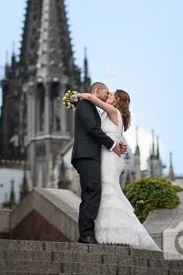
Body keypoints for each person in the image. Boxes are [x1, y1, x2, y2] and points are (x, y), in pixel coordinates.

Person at [75, 87, 161, 251]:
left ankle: (120, 235)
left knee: (108, 191)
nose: (108, 95)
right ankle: (114, 235)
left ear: (117, 101)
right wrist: (119, 145)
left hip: (107, 158)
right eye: (107, 93)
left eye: (111, 94)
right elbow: (116, 137)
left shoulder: (114, 111)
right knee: (105, 192)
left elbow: (92, 99)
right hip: (106, 156)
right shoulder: (111, 115)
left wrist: (76, 96)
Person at [71, 81, 123, 244]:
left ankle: (87, 233)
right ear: (98, 90)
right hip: (86, 155)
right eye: (106, 93)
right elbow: (93, 129)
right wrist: (112, 145)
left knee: (91, 192)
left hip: (90, 155)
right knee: (92, 191)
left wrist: (117, 142)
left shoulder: (91, 107)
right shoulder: (85, 104)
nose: (107, 96)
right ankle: (86, 234)